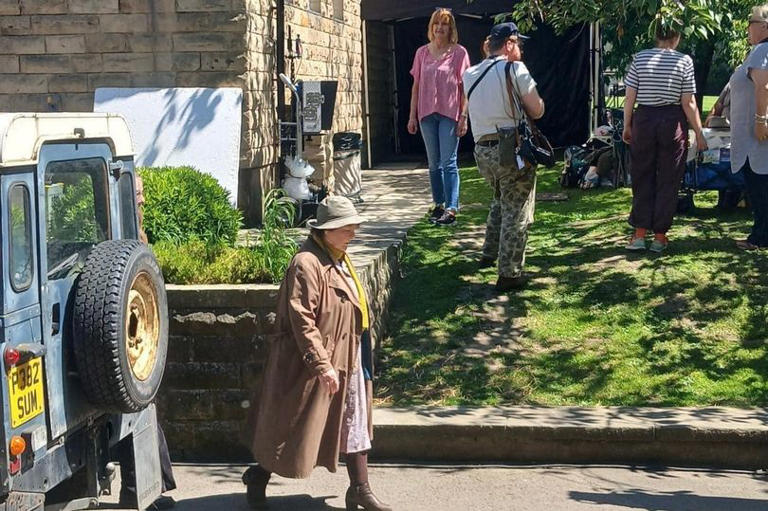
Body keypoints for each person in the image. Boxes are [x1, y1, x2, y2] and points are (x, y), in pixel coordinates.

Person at [242, 196, 390, 511]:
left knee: (354, 420)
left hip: (349, 352)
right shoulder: (307, 263)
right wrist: (322, 364)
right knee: (291, 426)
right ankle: (258, 477)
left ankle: (359, 489)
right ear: (327, 230)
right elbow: (301, 319)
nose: (354, 232)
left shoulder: (339, 257)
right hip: (313, 361)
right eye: (347, 227)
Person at [462, 22, 545, 291]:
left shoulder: (470, 73)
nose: (520, 48)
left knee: (500, 196)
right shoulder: (515, 68)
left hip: (482, 150)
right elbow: (537, 109)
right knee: (517, 209)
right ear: (509, 43)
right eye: (517, 43)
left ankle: (489, 251)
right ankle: (509, 273)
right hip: (510, 146)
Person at [622, 24, 707, 253]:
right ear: (677, 36)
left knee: (642, 176)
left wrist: (627, 124)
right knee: (669, 178)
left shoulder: (639, 58)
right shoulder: (684, 61)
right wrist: (699, 133)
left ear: (655, 34)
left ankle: (639, 234)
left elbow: (630, 96)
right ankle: (660, 237)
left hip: (645, 119)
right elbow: (688, 102)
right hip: (672, 122)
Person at [408, 7, 471, 226]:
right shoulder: (422, 53)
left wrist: (464, 116)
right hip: (426, 113)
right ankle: (439, 204)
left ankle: (452, 208)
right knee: (433, 163)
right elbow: (416, 86)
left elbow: (466, 88)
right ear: (431, 27)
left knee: (449, 162)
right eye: (436, 24)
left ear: (450, 28)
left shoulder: (459, 53)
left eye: (444, 24)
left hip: (449, 113)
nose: (440, 28)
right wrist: (412, 116)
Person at [729, 4, 768, 250]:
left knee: (759, 185)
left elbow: (762, 87)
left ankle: (760, 237)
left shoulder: (761, 51)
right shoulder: (760, 50)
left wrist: (760, 121)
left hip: (756, 133)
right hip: (754, 130)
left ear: (764, 26)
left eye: (751, 23)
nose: (747, 28)